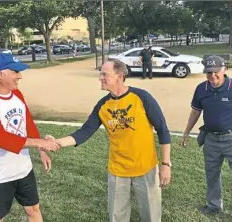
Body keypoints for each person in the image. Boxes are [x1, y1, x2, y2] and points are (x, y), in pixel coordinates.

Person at [48, 59, 171, 222]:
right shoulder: (103, 105)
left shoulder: (142, 97)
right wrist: (57, 142)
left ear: (119, 76)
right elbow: (85, 131)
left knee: (151, 216)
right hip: (118, 169)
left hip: (146, 167)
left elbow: (162, 129)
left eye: (104, 74)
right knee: (116, 216)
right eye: (100, 74)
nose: (100, 78)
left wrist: (165, 164)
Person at [0, 53, 60, 222]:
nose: (19, 76)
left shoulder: (17, 95)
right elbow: (0, 139)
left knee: (34, 209)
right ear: (0, 74)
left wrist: (41, 150)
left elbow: (27, 123)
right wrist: (40, 142)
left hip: (23, 169)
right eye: (15, 71)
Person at [180, 55, 232, 221]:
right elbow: (195, 112)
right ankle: (214, 205)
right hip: (211, 139)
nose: (212, 77)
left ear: (224, 69)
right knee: (212, 173)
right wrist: (186, 132)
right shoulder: (201, 89)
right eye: (208, 73)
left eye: (216, 73)